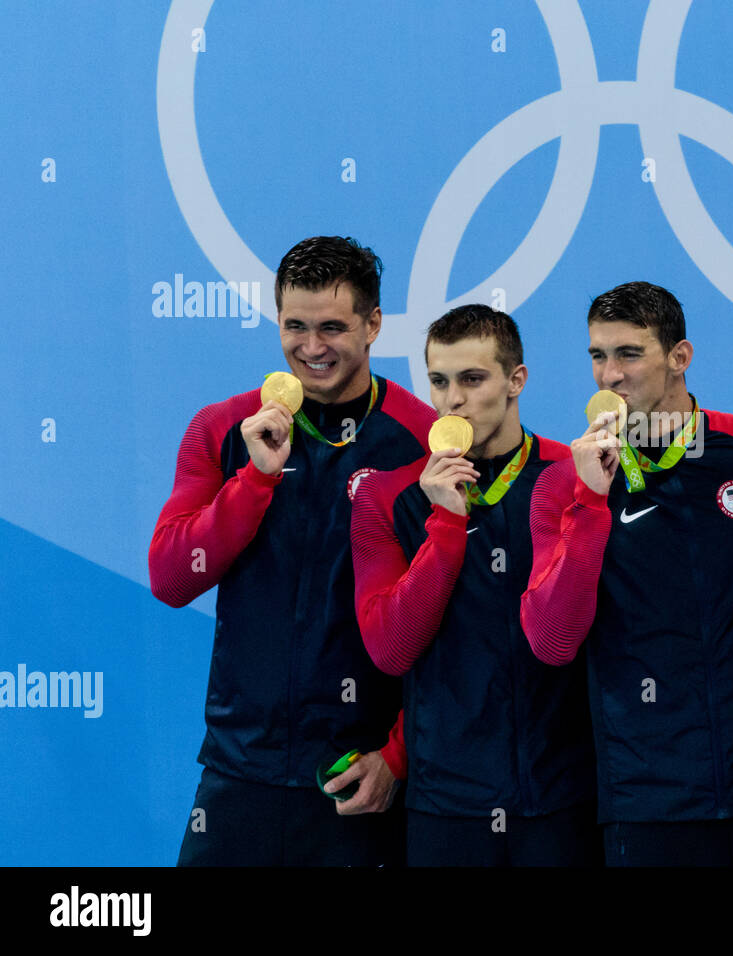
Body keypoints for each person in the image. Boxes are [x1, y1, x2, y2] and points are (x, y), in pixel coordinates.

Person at [148, 236, 434, 866]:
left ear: (374, 325)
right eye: (295, 326)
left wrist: (397, 756)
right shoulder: (223, 428)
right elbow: (171, 578)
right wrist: (256, 479)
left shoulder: (421, 443)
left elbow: (457, 627)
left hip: (355, 777)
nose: (312, 348)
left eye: (332, 327)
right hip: (239, 767)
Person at [521, 281, 733, 867]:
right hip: (645, 802)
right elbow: (551, 640)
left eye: (629, 354)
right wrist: (589, 499)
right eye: (597, 356)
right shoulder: (564, 483)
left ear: (679, 357)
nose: (608, 376)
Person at [350, 304, 599, 866]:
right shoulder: (389, 495)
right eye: (439, 381)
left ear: (517, 381)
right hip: (446, 803)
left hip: (561, 799)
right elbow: (391, 650)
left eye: (472, 379)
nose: (452, 400)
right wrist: (444, 525)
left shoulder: (574, 477)